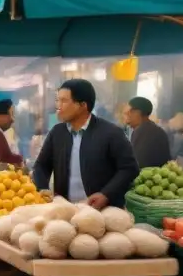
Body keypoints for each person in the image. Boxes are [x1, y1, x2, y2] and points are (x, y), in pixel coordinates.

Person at [33, 79, 138, 209]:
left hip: (103, 211)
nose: (58, 106)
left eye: (64, 101)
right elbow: (41, 166)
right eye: (57, 100)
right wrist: (43, 188)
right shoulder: (57, 133)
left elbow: (129, 169)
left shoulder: (111, 133)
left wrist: (106, 194)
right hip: (66, 210)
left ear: (83, 105)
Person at [126, 96, 172, 169]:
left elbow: (138, 164)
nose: (127, 115)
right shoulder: (154, 129)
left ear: (138, 112)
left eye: (130, 111)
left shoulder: (143, 131)